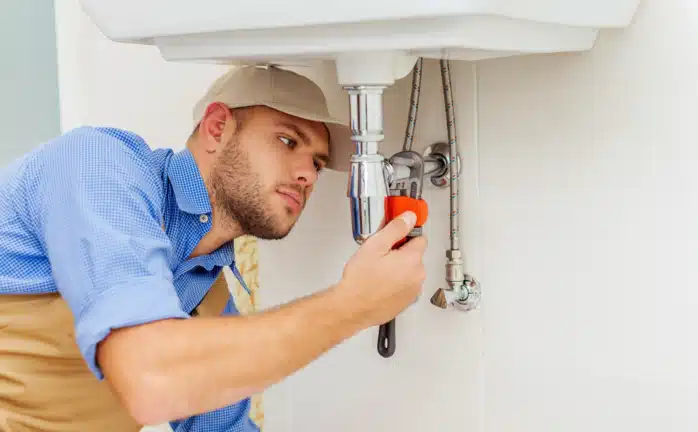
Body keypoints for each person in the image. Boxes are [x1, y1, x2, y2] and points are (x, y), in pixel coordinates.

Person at [0, 65, 427, 431]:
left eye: (316, 163)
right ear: (217, 128)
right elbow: (151, 378)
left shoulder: (204, 287)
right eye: (288, 141)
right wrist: (352, 304)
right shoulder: (98, 168)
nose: (307, 175)